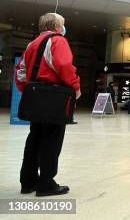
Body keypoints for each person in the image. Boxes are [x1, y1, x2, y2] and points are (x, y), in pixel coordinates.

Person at [15, 12, 81, 196]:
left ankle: (27, 182)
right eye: (63, 24)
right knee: (52, 140)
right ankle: (46, 183)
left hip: (35, 95)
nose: (64, 27)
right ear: (56, 26)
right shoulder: (58, 40)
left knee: (34, 138)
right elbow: (65, 65)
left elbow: (20, 72)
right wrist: (76, 87)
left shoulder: (32, 44)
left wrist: (29, 90)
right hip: (54, 97)